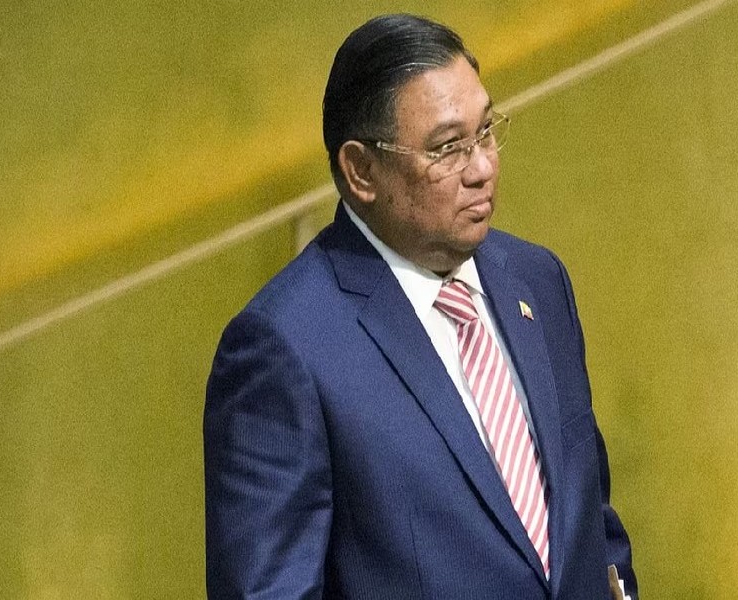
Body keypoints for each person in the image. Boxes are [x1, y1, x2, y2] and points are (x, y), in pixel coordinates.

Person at [204, 13, 637, 599]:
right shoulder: (285, 349)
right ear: (361, 171)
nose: (483, 168)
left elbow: (591, 524)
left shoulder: (537, 280)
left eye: (486, 132)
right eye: (448, 148)